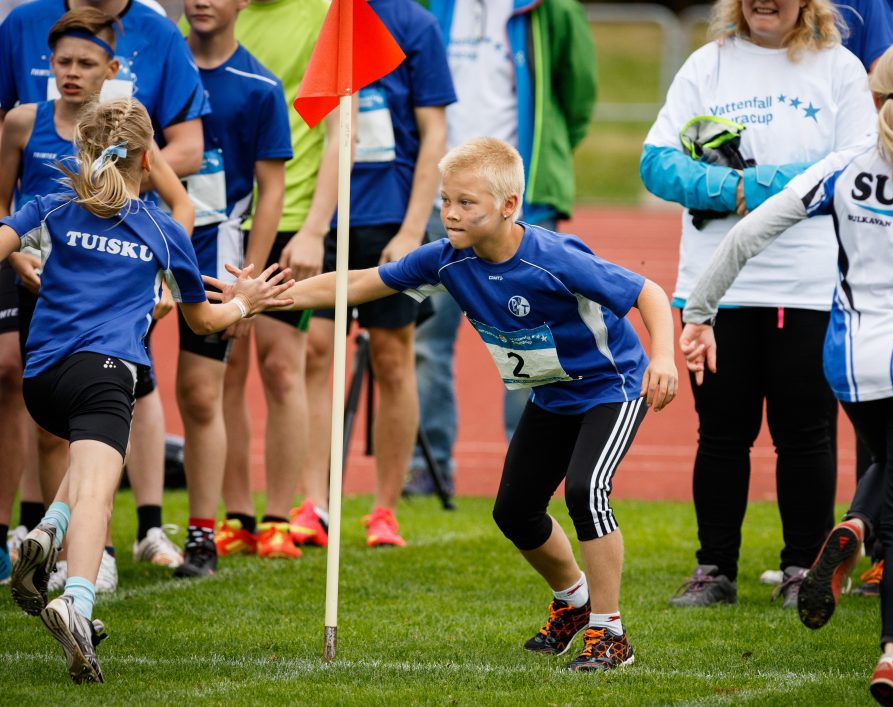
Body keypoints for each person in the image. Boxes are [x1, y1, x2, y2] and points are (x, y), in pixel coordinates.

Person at [226, 136, 677, 670]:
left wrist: (663, 359)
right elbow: (359, 281)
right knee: (514, 510)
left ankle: (611, 633)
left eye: (466, 203)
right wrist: (262, 299)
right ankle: (574, 601)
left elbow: (647, 291)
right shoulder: (447, 260)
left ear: (509, 207)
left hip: (613, 386)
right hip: (554, 394)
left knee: (585, 490)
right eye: (445, 201)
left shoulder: (553, 258)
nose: (450, 214)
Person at [679, 37, 893, 706]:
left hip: (847, 361)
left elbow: (744, 234)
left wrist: (699, 312)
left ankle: (856, 523)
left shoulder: (841, 168)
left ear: (872, 95)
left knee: (892, 461)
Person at [4, 96, 293, 684]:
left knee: (92, 463)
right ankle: (77, 604)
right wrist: (247, 301)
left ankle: (42, 534)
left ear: (81, 151)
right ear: (147, 157)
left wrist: (20, 260)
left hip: (41, 379)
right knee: (96, 491)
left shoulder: (52, 203)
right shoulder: (163, 230)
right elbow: (204, 323)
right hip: (107, 373)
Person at [641, 0, 876, 608]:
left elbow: (855, 164)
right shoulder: (706, 65)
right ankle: (713, 569)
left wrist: (765, 187)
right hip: (718, 290)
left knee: (805, 436)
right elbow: (656, 162)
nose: (763, 2)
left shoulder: (841, 69)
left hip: (808, 286)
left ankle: (802, 568)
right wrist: (731, 187)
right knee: (720, 433)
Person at [0, 0, 210, 591]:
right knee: (93, 432)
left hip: (106, 310)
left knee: (104, 420)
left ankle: (81, 534)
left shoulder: (115, 149)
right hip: (59, 295)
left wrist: (162, 266)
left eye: (85, 61)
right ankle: (68, 553)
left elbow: (180, 201)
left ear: (110, 68)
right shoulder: (28, 128)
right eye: (61, 60)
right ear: (47, 65)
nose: (71, 71)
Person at [405, 0, 598, 495]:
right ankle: (430, 466)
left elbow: (577, 97)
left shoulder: (552, 8)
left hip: (521, 198)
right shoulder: (432, 6)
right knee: (428, 339)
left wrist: (542, 155)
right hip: (439, 194)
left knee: (535, 337)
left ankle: (532, 462)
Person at [297, 0, 454, 549]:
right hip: (335, 213)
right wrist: (313, 226)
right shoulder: (332, 16)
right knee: (317, 349)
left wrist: (414, 230)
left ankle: (384, 509)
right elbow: (326, 126)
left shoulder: (417, 24)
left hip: (393, 217)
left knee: (392, 356)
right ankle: (312, 502)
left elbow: (435, 133)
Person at [213, 0, 337, 561]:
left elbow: (341, 134)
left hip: (291, 223)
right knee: (225, 369)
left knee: (283, 367)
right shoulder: (213, 18)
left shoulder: (322, 13)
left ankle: (279, 519)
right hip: (224, 219)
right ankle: (236, 516)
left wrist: (314, 229)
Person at [172, 0, 291, 576]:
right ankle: (113, 533)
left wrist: (250, 278)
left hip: (215, 260)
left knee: (200, 393)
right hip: (137, 249)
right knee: (115, 381)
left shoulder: (259, 86)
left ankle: (200, 535)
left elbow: (272, 189)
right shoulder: (155, 67)